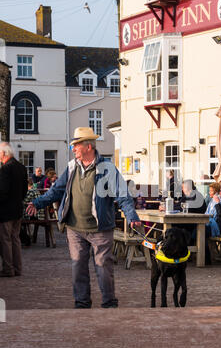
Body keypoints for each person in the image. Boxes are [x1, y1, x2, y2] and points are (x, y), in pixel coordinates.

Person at [26, 127, 141, 309]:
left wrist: (131, 215)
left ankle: (109, 303)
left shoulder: (107, 168)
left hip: (100, 228)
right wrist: (38, 202)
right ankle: (82, 303)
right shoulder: (72, 166)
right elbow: (56, 190)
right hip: (75, 228)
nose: (73, 149)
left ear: (88, 146)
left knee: (103, 267)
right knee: (78, 266)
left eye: (76, 145)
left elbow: (122, 194)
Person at [0, 142, 28, 277]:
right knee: (15, 239)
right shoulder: (21, 167)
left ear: (4, 153)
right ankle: (18, 268)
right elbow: (24, 191)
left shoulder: (5, 168)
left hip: (6, 211)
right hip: (17, 209)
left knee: (5, 240)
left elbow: (2, 191)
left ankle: (8, 269)